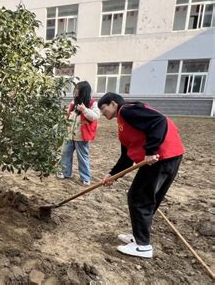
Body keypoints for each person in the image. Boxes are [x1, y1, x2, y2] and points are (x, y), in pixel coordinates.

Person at [98, 92, 184, 258]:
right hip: (168, 156)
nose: (103, 113)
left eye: (104, 108)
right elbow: (126, 157)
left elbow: (159, 120)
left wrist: (151, 150)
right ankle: (139, 236)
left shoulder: (127, 110)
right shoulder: (124, 122)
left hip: (160, 157)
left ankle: (143, 246)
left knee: (139, 198)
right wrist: (112, 175)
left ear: (113, 103)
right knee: (147, 198)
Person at [57, 81, 100, 186]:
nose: (75, 92)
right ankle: (66, 173)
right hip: (69, 135)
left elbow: (95, 117)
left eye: (77, 90)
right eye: (75, 89)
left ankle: (85, 177)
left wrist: (84, 109)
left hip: (82, 137)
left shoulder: (92, 103)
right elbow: (68, 115)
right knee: (65, 153)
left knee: (82, 157)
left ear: (83, 92)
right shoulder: (73, 102)